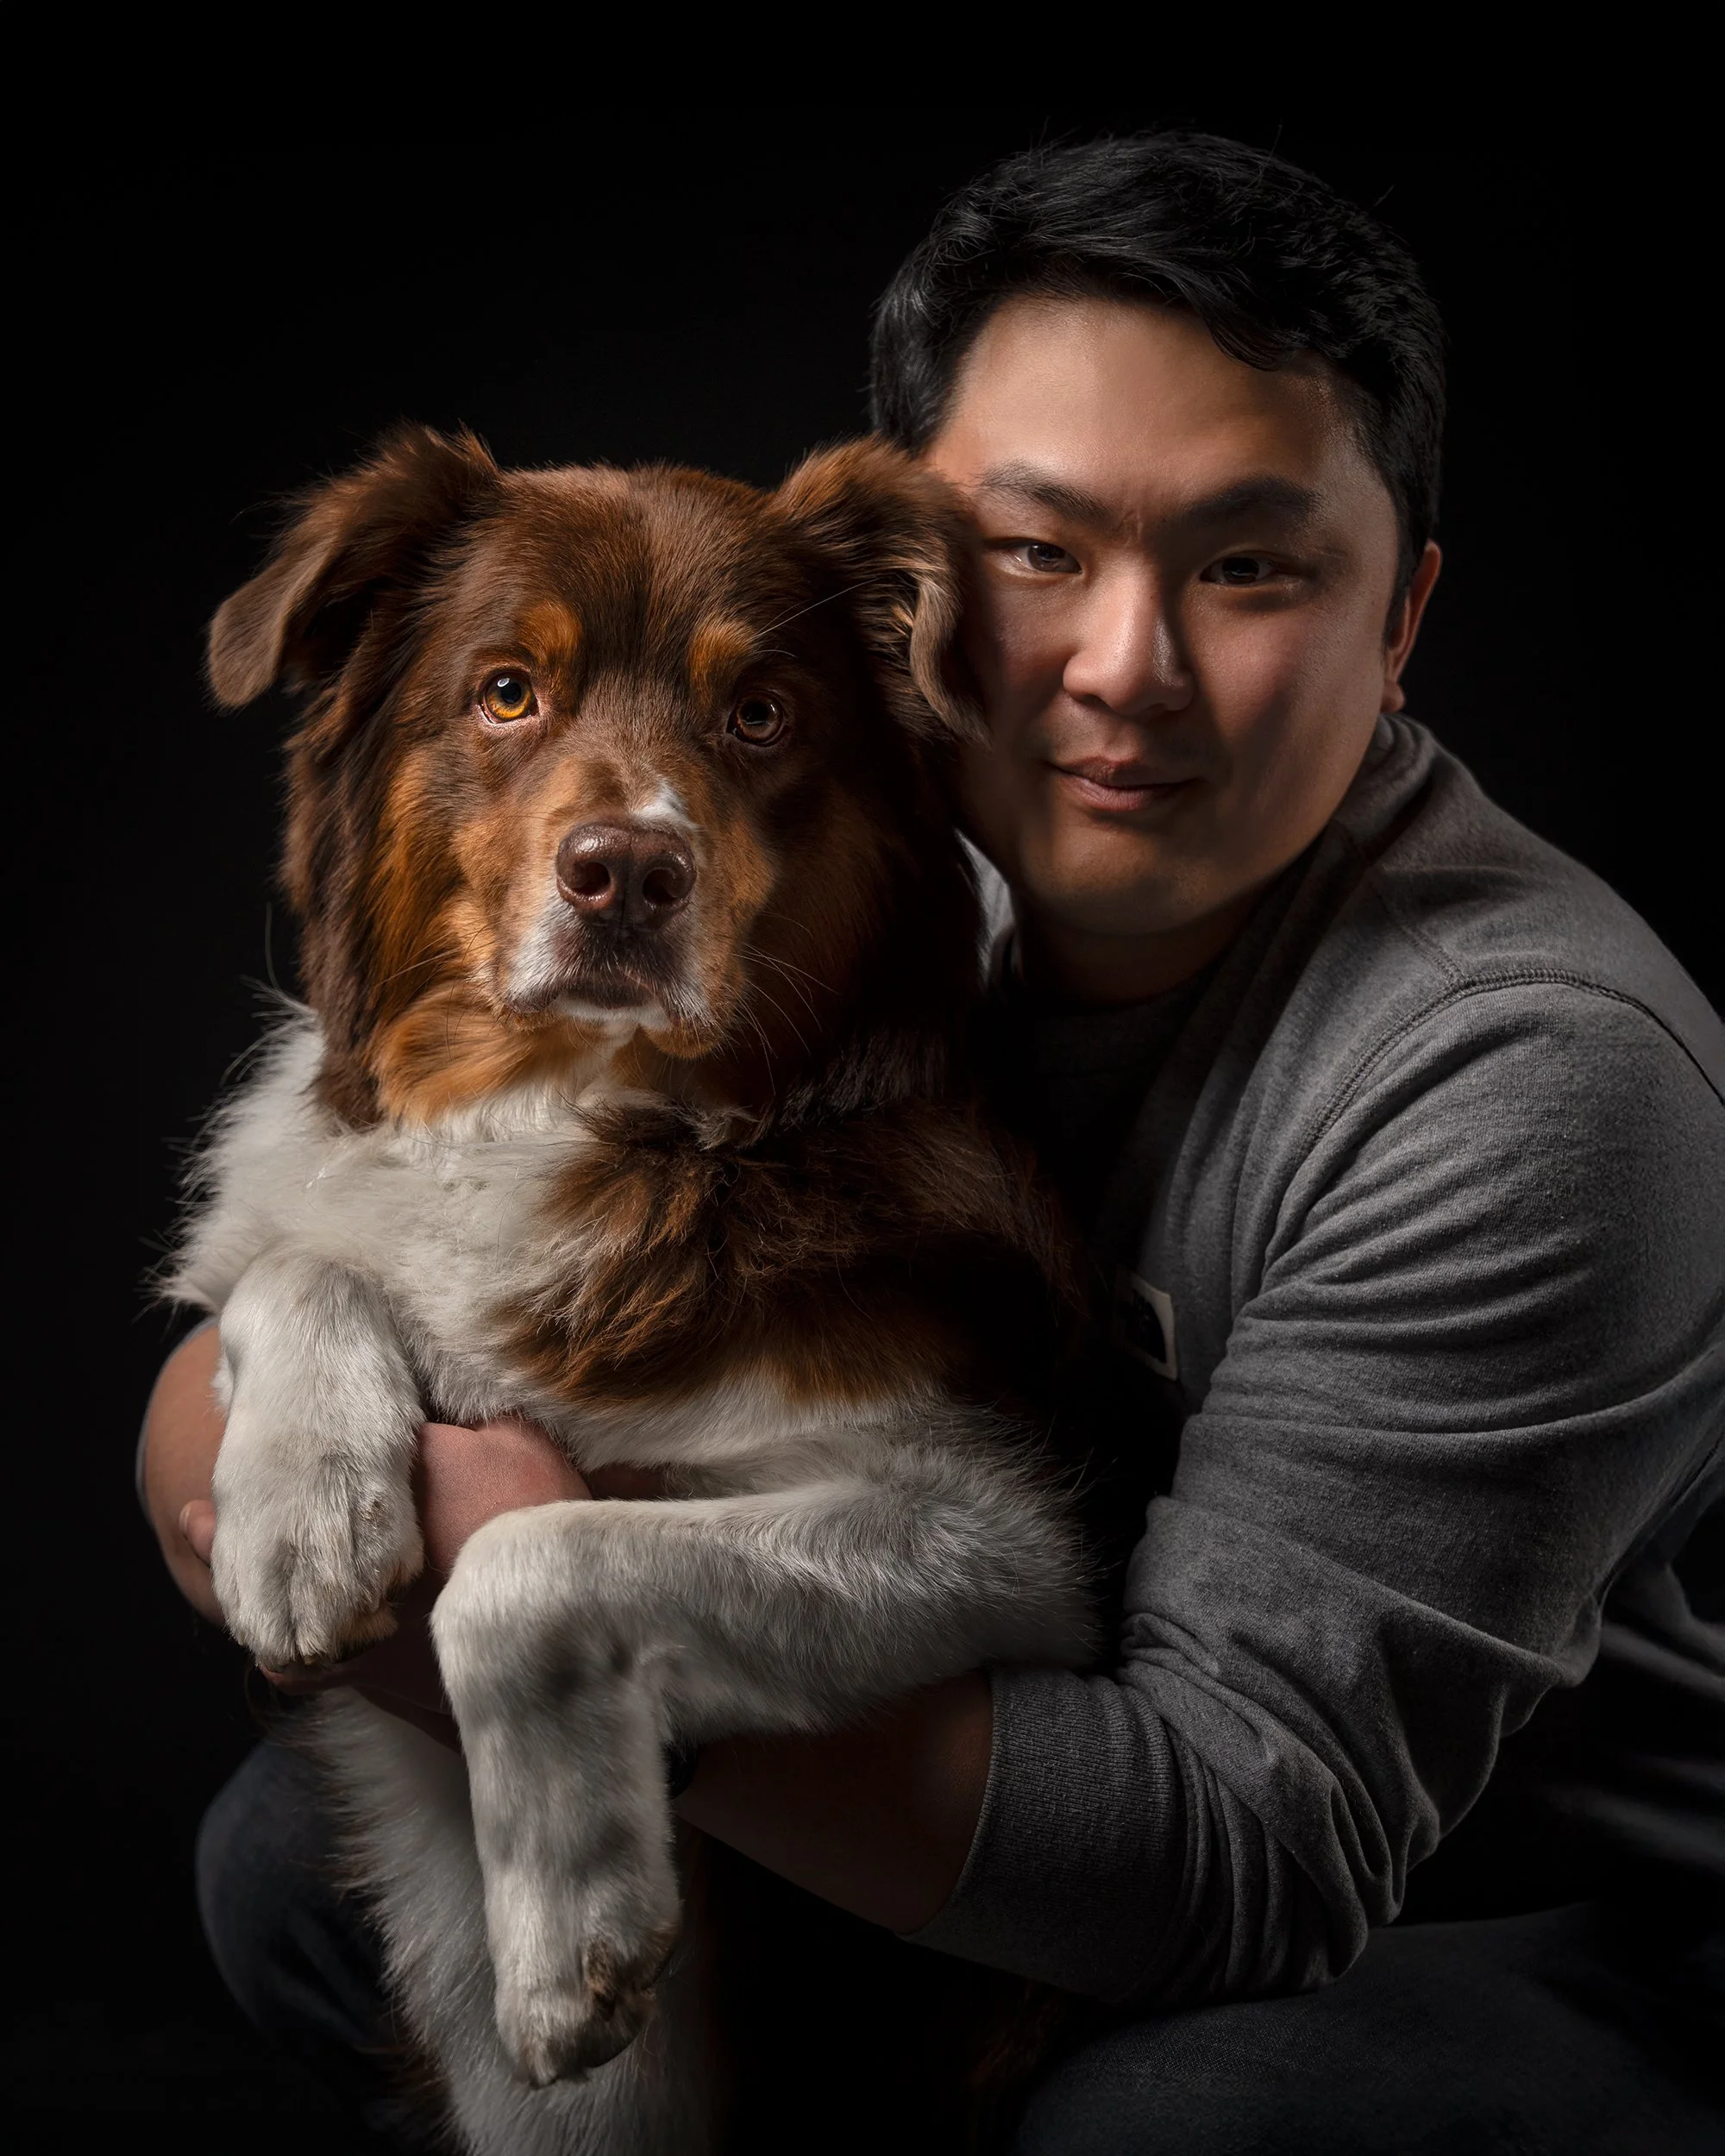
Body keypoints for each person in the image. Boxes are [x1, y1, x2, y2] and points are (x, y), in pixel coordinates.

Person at [141, 134, 1724, 2152]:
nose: (1121, 669)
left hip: (1471, 1910)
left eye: (1247, 565)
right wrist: (281, 1388)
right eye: (1041, 554)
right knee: (294, 1857)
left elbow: (1237, 1847)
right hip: (980, 1757)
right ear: (922, 600)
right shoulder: (876, 879)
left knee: (1176, 2122)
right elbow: (220, 1416)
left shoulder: (1531, 1072)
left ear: (1399, 613)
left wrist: (512, 1600)